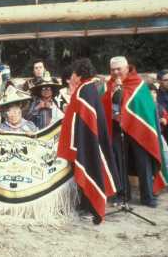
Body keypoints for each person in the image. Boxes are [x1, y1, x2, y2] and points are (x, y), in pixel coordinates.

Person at [57, 58, 120, 224]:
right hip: (87, 139)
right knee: (91, 168)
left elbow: (84, 120)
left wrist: (81, 144)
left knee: (90, 169)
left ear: (79, 74)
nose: (72, 77)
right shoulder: (88, 88)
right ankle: (86, 206)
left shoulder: (85, 90)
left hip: (87, 141)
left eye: (73, 73)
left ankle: (91, 209)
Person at [101, 56, 166, 208]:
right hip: (117, 129)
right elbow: (104, 105)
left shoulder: (138, 84)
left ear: (127, 67)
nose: (116, 72)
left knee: (143, 163)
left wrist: (121, 91)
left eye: (119, 69)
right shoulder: (108, 85)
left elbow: (146, 108)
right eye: (113, 70)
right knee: (119, 162)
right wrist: (112, 94)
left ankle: (147, 196)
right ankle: (123, 194)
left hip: (138, 130)